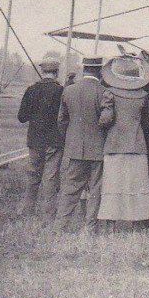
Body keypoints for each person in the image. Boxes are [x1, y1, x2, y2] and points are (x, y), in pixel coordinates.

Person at [96, 56, 149, 227]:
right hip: (137, 145)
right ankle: (136, 223)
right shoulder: (144, 96)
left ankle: (111, 224)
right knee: (137, 185)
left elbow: (106, 119)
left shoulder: (110, 93)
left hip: (114, 145)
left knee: (113, 185)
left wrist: (101, 124)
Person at [55, 56, 106, 233]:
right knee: (96, 189)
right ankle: (90, 227)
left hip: (75, 147)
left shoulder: (69, 91)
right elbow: (107, 121)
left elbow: (61, 121)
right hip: (98, 148)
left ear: (84, 70)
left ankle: (60, 226)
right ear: (100, 71)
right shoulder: (104, 92)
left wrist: (70, 138)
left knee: (70, 188)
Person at [16, 56, 64, 218]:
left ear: (42, 71)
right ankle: (49, 214)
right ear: (56, 72)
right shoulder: (60, 90)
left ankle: (27, 211)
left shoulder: (31, 90)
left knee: (33, 175)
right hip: (54, 141)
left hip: (35, 140)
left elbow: (22, 117)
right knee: (51, 178)